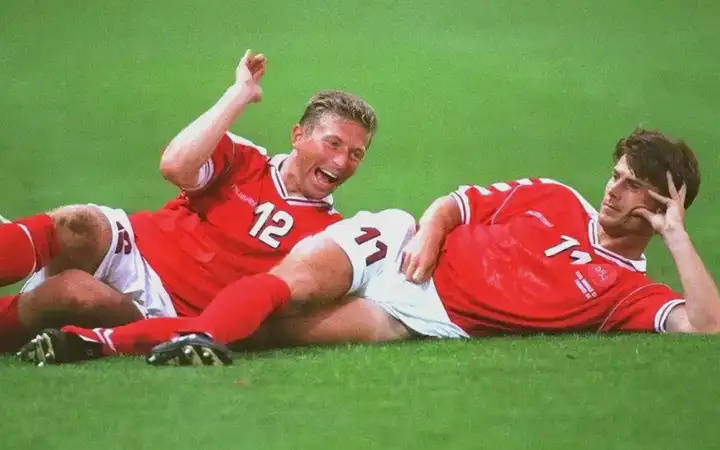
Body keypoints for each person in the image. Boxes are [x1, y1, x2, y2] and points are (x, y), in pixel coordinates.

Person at [18, 128, 720, 366]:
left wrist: (678, 238)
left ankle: (95, 343)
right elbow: (458, 202)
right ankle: (185, 335)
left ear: (662, 205)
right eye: (617, 174)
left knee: (266, 334)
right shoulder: (557, 197)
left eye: (633, 187)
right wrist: (431, 235)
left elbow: (706, 326)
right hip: (397, 245)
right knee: (288, 286)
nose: (613, 190)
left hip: (420, 318)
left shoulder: (630, 292)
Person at [0, 49, 377, 353]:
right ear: (298, 136)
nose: (341, 161)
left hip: (162, 310)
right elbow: (175, 165)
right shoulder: (245, 160)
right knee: (78, 224)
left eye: (355, 154)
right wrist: (239, 95)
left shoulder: (330, 235)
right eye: (333, 144)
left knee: (71, 294)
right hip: (131, 247)